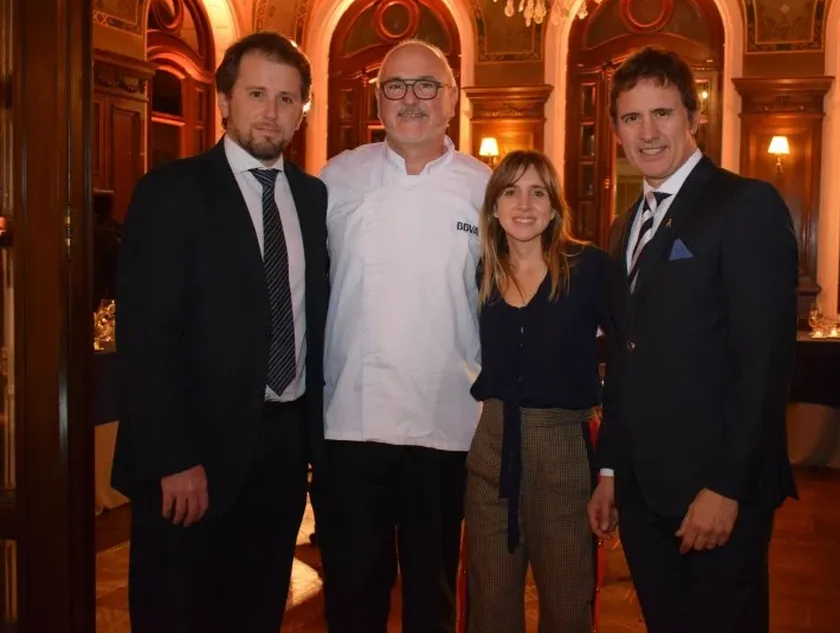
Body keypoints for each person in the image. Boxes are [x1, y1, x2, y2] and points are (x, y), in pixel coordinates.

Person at [112, 31, 329, 633]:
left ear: (302, 110)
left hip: (283, 453)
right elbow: (147, 339)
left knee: (258, 610)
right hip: (193, 458)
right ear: (225, 100)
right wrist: (174, 459)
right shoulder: (172, 192)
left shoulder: (313, 199)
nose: (271, 112)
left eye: (287, 99)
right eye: (257, 93)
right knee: (177, 614)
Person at [586, 46, 799, 633]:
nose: (648, 132)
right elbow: (626, 362)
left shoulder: (744, 205)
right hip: (643, 491)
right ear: (616, 131)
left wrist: (726, 488)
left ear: (693, 116)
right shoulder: (623, 224)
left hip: (716, 493)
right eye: (632, 118)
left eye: (663, 114)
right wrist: (608, 472)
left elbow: (766, 363)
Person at [317, 38, 490, 633]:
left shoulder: (485, 188)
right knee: (351, 590)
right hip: (349, 421)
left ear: (452, 99)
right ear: (377, 98)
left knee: (432, 590)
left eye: (426, 86)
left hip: (445, 423)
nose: (410, 99)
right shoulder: (336, 179)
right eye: (395, 86)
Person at [464, 150, 609, 633]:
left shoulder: (587, 269)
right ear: (493, 206)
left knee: (568, 603)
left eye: (538, 192)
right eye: (511, 191)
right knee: (490, 603)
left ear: (554, 207)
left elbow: (632, 361)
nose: (524, 204)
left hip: (563, 452)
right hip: (491, 448)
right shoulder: (480, 272)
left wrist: (611, 469)